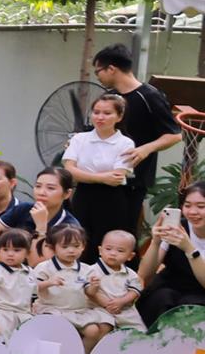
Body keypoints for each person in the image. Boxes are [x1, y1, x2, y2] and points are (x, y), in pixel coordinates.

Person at [92, 43, 181, 224]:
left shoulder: (150, 96)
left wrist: (146, 149)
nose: (97, 77)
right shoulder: (110, 97)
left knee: (122, 231)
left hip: (132, 181)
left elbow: (174, 134)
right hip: (101, 178)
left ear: (111, 69)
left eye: (98, 71)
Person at [63, 92, 137, 254]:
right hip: (82, 195)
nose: (100, 117)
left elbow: (116, 177)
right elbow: (69, 170)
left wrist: (84, 174)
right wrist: (102, 177)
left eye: (107, 113)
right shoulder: (79, 139)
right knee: (79, 239)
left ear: (119, 117)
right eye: (96, 112)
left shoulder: (125, 143)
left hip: (112, 199)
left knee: (108, 243)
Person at [138, 181, 205, 327]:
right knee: (163, 298)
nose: (193, 212)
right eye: (187, 205)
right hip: (171, 288)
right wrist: (155, 242)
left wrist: (189, 249)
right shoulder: (176, 228)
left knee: (190, 306)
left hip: (200, 295)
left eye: (201, 206)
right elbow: (144, 275)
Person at [33, 224, 106, 351]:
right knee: (58, 330)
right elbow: (33, 288)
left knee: (93, 331)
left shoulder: (86, 269)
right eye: (65, 247)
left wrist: (94, 286)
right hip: (52, 310)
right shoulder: (44, 267)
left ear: (83, 246)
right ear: (53, 248)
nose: (71, 251)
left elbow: (89, 292)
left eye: (76, 246)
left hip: (78, 312)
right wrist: (49, 282)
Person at [0, 229, 37, 337]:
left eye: (16, 250)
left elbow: (32, 298)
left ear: (27, 253)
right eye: (5, 249)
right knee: (1, 343)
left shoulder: (31, 273)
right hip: (1, 315)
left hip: (25, 317)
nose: (10, 254)